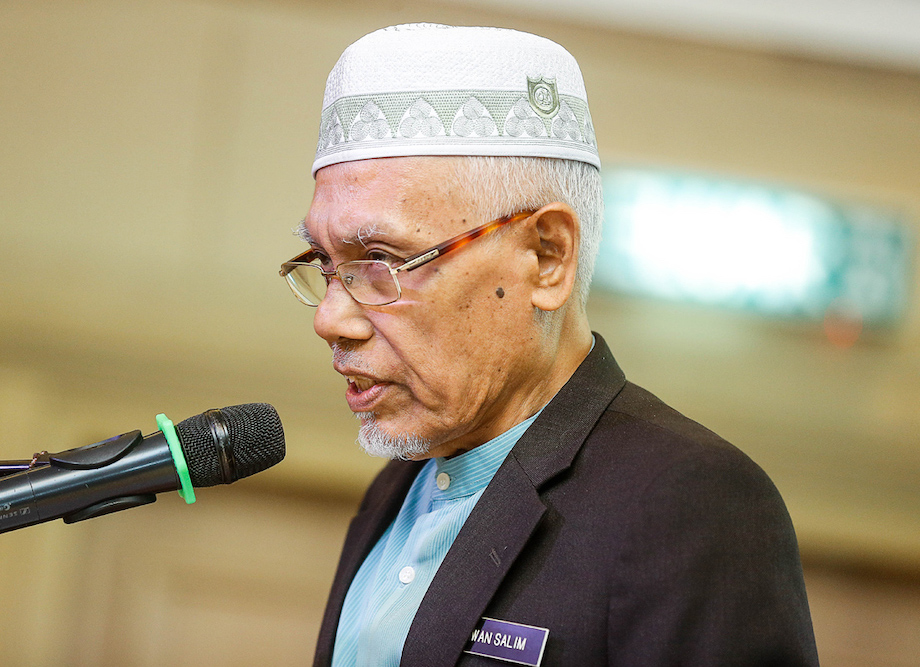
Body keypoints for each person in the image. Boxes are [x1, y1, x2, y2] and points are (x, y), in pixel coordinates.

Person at [280, 23, 819, 667]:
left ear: (546, 257)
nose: (332, 318)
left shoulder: (688, 505)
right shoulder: (397, 487)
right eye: (324, 261)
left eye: (381, 259)